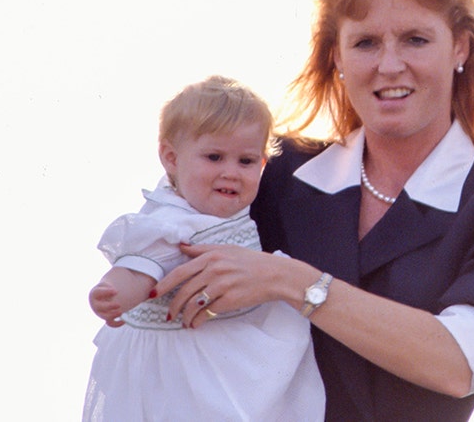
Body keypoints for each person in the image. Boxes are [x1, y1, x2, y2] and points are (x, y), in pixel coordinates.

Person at [153, 0, 474, 421]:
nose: (389, 65)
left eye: (415, 40)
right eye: (365, 43)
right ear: (336, 57)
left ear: (460, 46)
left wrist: (293, 281)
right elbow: (159, 249)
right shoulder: (268, 171)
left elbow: (460, 361)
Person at [84, 75, 325, 421]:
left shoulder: (237, 211)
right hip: (184, 366)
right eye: (214, 157)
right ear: (171, 158)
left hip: (234, 348)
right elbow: (141, 267)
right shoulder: (171, 220)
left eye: (246, 162)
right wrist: (114, 293)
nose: (231, 172)